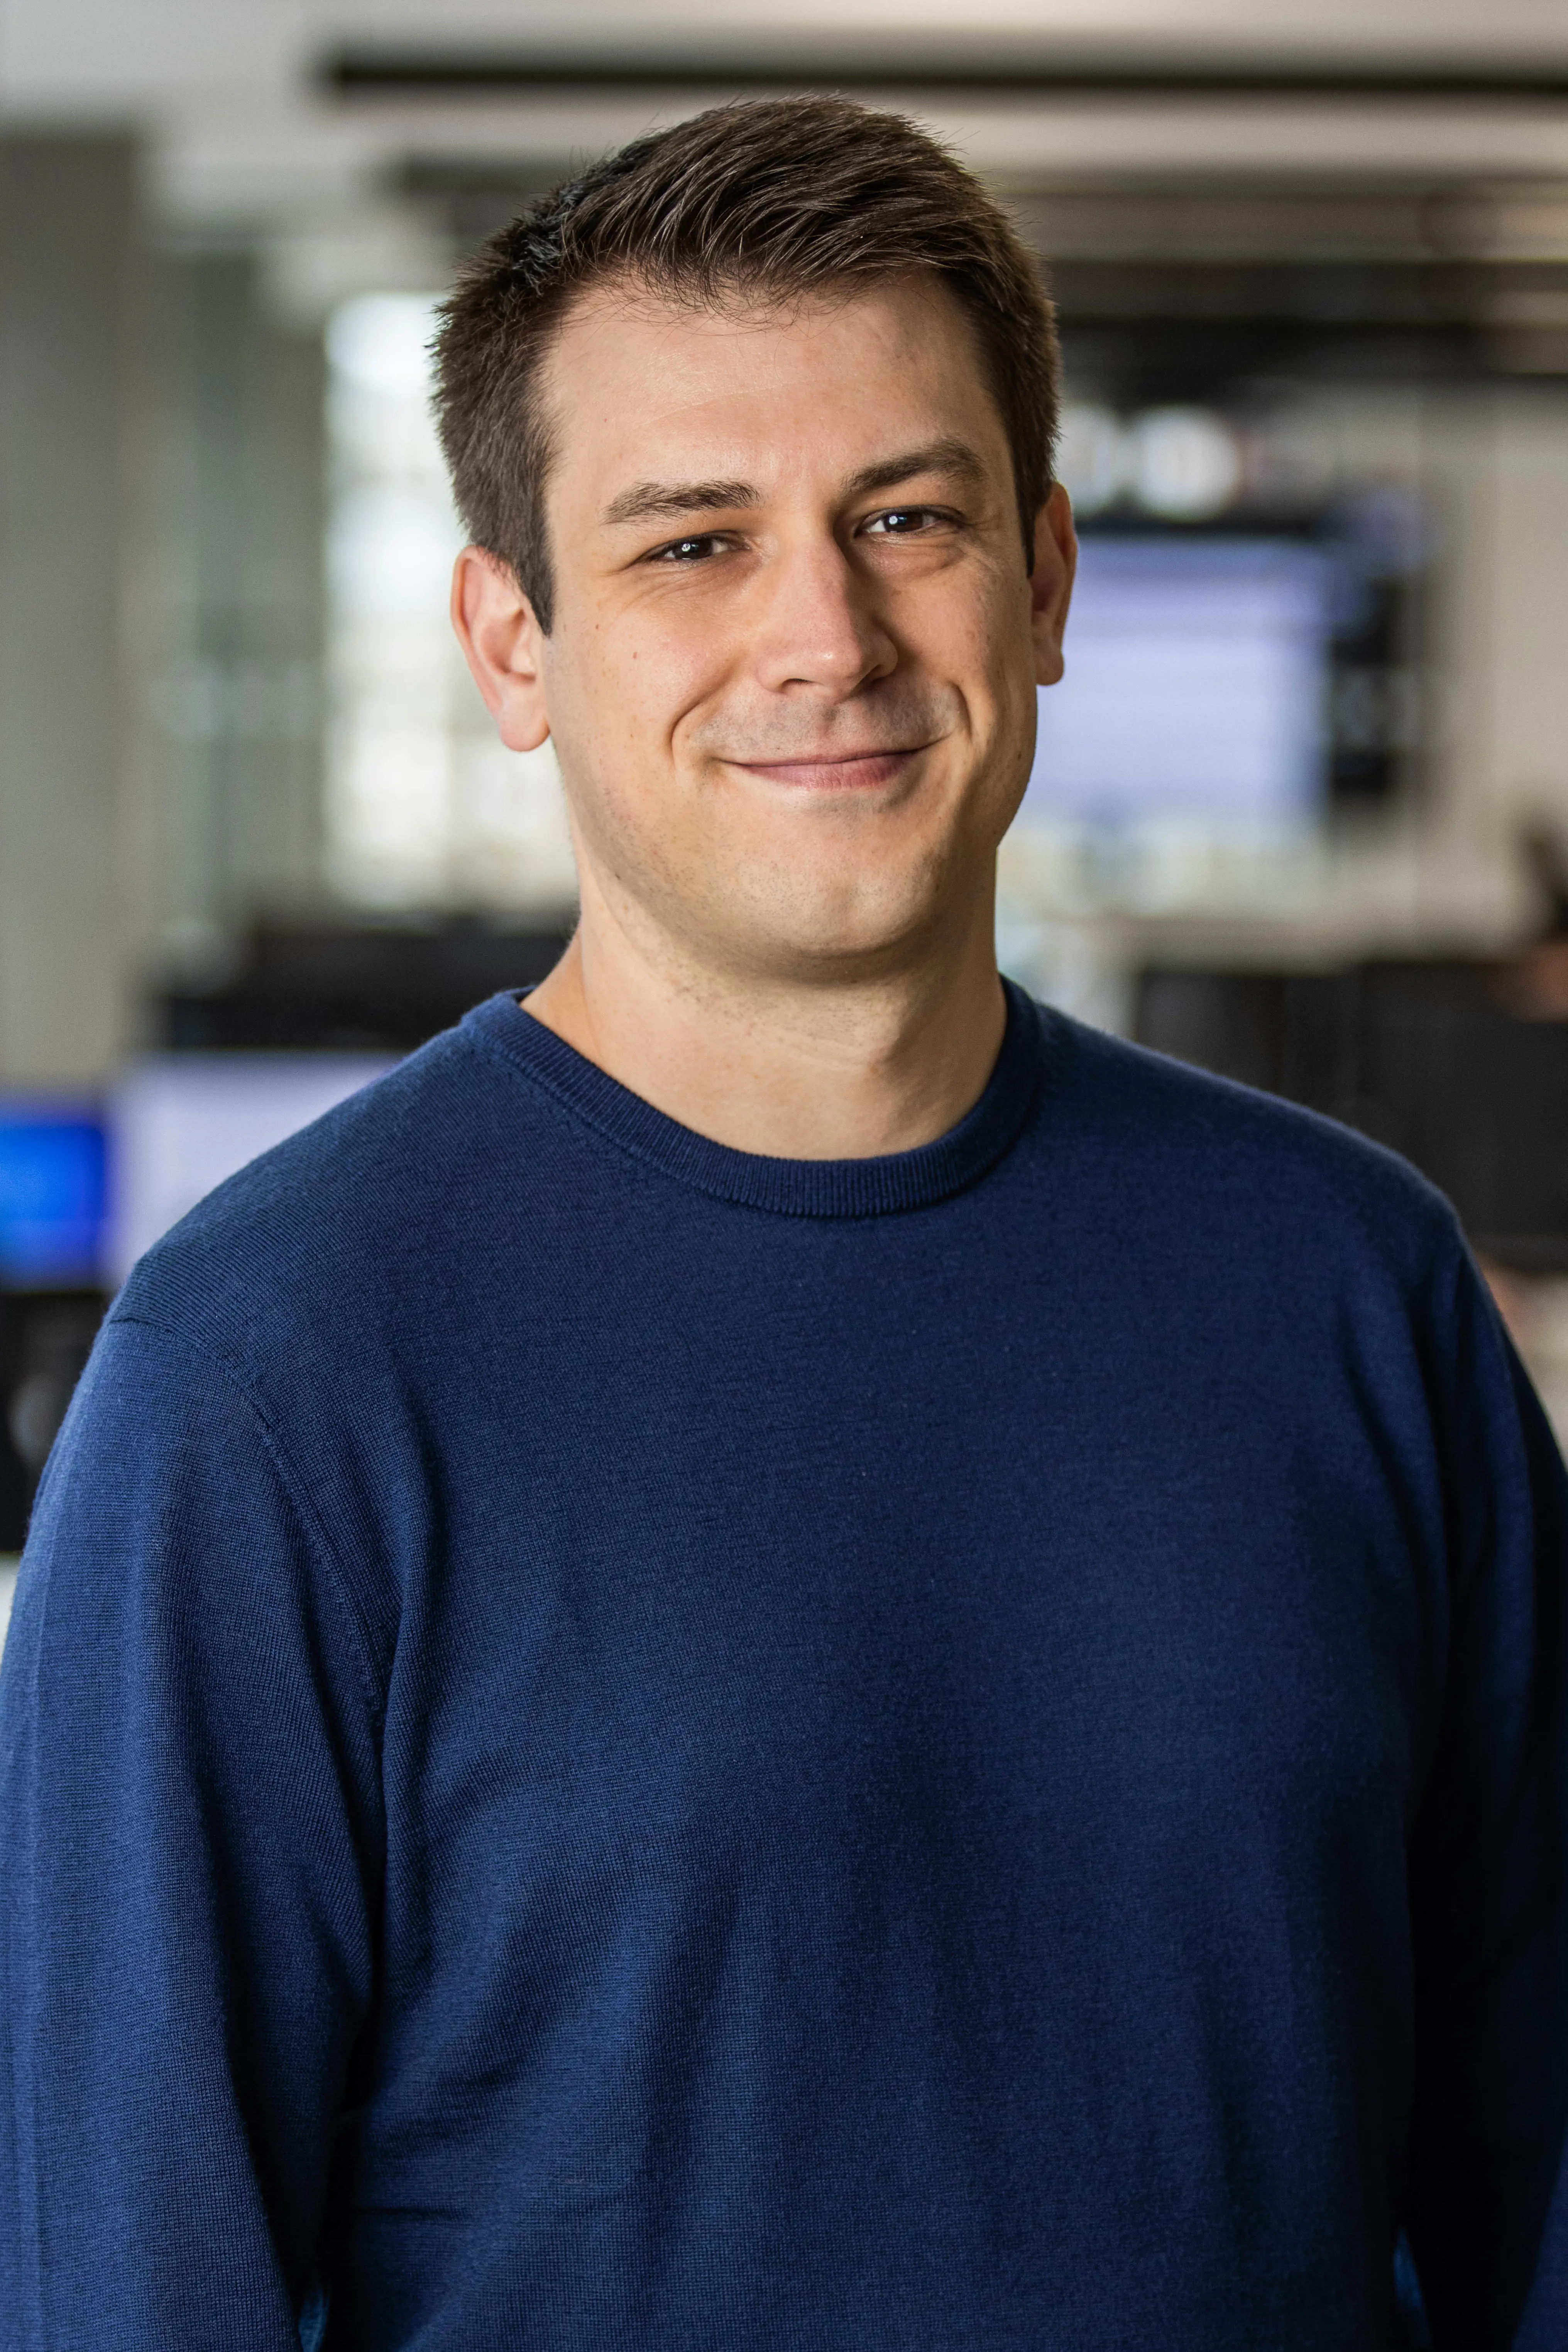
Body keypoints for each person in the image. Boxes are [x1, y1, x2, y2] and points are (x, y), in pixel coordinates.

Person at [1, 95, 1564, 2352]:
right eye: (692, 541)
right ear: (511, 640)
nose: (821, 635)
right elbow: (127, 2293)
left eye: (903, 517)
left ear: (1040, 580)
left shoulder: (1350, 1291)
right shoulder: (269, 1370)